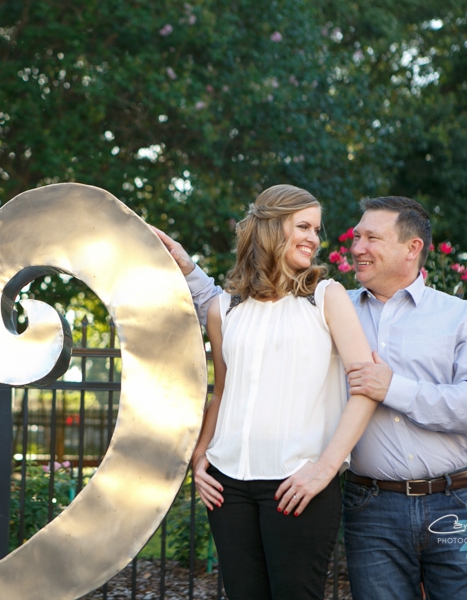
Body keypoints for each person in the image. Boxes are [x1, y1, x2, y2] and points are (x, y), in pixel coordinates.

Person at [154, 195, 467, 600]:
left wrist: (390, 389)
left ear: (413, 248)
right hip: (372, 501)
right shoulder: (326, 301)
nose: (354, 248)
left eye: (371, 238)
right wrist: (187, 268)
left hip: (454, 499)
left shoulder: (459, 317)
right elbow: (236, 320)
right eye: (355, 237)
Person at [176, 184, 379, 600]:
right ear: (270, 227)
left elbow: (366, 390)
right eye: (303, 225)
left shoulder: (327, 297)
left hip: (298, 484)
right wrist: (200, 457)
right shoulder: (224, 309)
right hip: (226, 487)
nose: (314, 238)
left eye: (317, 230)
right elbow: (223, 390)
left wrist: (325, 468)